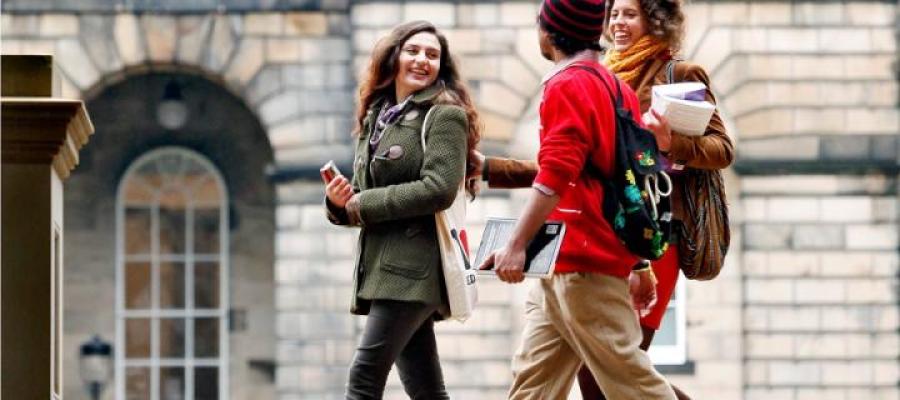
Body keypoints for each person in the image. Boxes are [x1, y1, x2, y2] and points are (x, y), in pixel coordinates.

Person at [480, 0, 734, 398]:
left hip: (627, 238)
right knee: (542, 380)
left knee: (618, 377)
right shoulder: (608, 79)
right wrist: (489, 169)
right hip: (585, 248)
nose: (618, 22)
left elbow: (562, 172)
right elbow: (582, 168)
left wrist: (672, 143)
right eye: (613, 14)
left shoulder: (661, 75)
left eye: (629, 14)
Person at [323, 20, 481, 400]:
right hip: (383, 265)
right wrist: (339, 202)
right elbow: (361, 196)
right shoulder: (376, 115)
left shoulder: (445, 115)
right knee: (426, 389)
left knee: (363, 379)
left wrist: (362, 205)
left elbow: (439, 189)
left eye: (432, 55)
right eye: (413, 51)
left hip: (414, 266)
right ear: (393, 57)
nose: (422, 60)